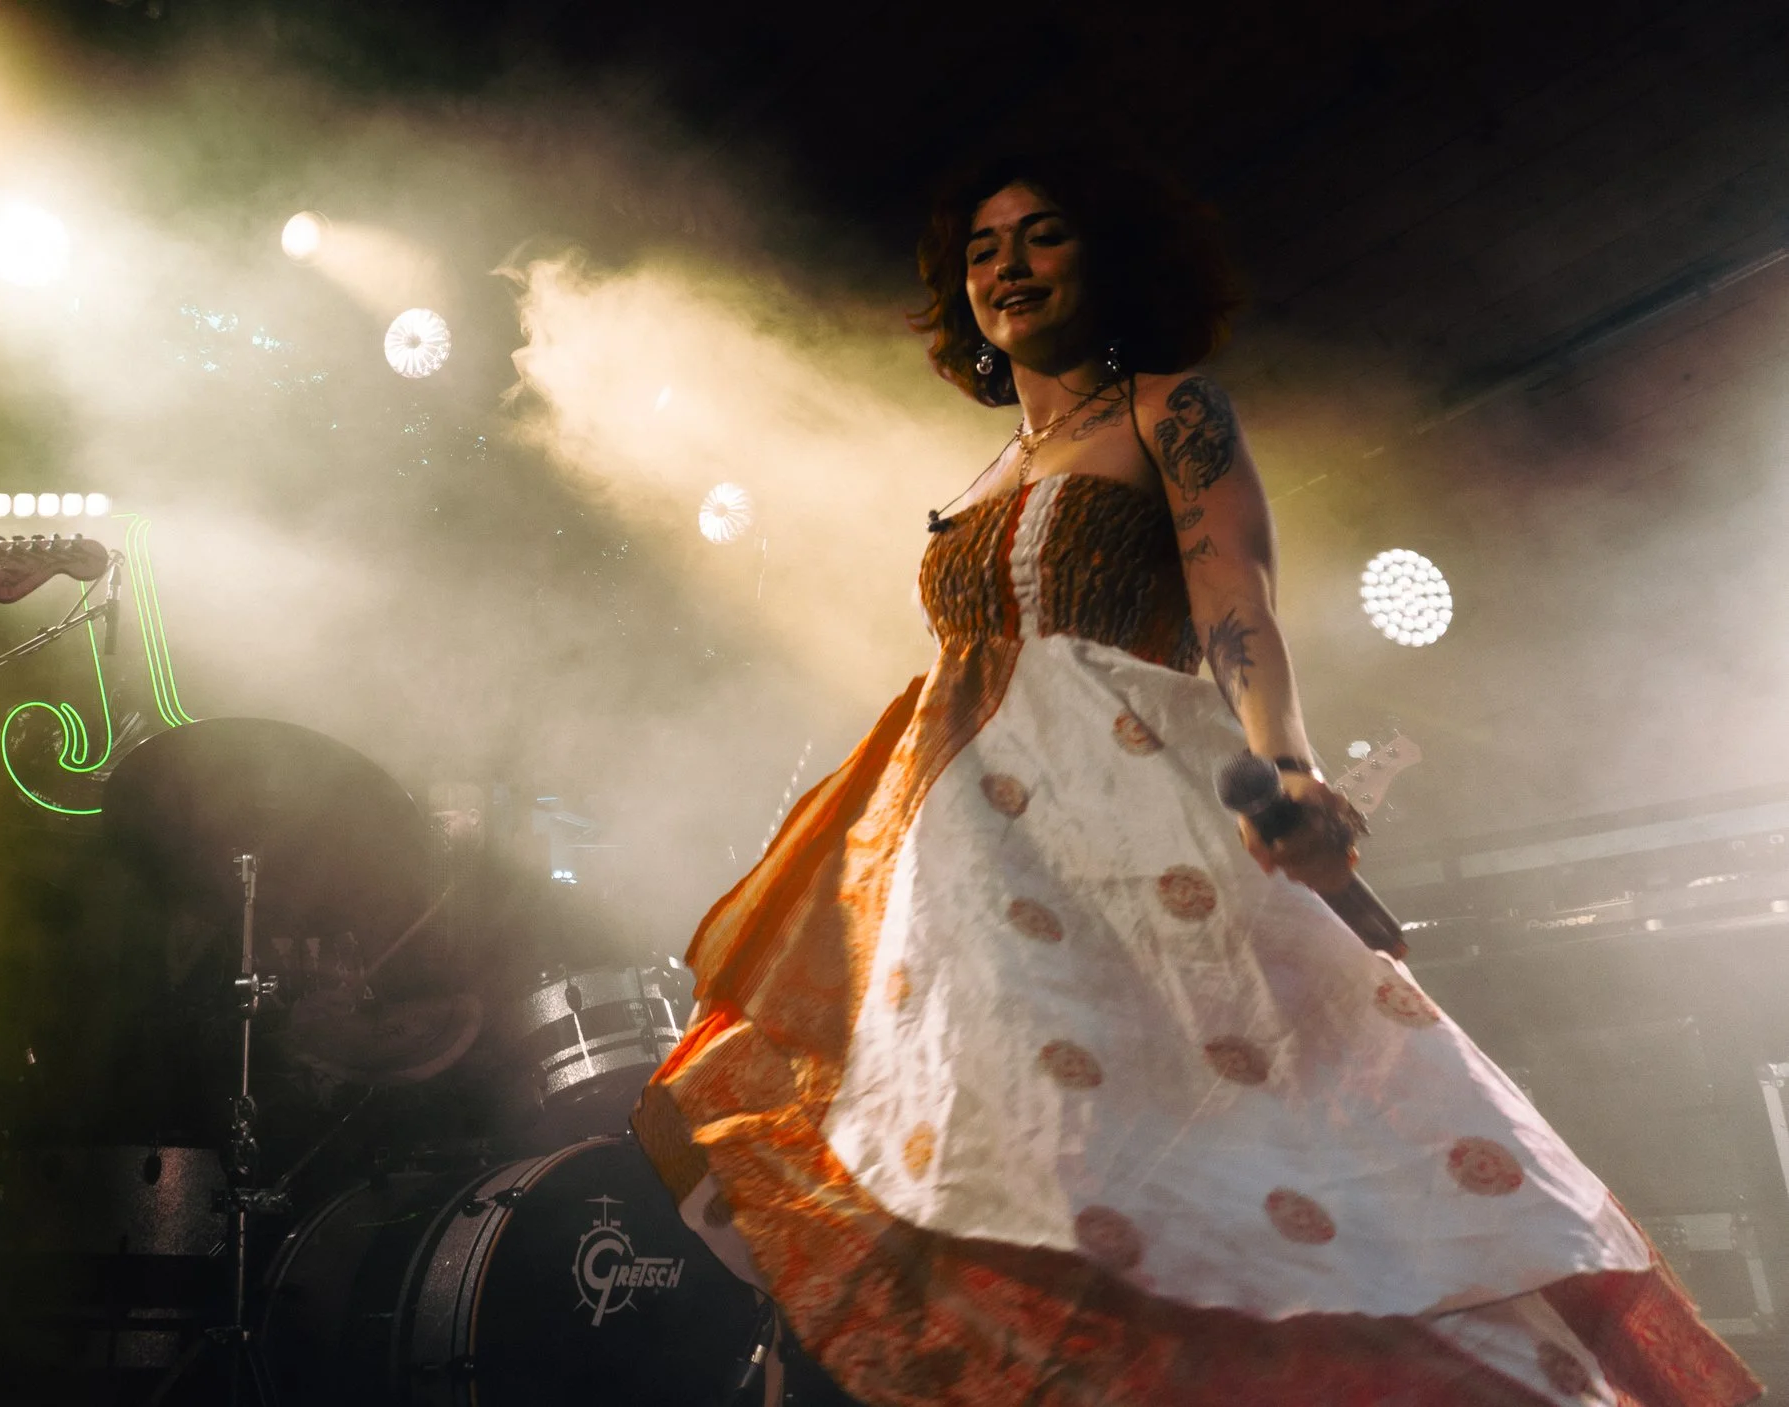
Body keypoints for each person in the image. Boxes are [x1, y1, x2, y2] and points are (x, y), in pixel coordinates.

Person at [633, 150, 1758, 1406]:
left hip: (1132, 817)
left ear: (1106, 261)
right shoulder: (973, 488)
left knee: (1208, 1163)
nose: (1006, 264)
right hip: (968, 848)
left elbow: (1239, 601)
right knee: (987, 1153)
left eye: (1042, 236)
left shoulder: (1170, 411)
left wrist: (1287, 765)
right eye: (982, 248)